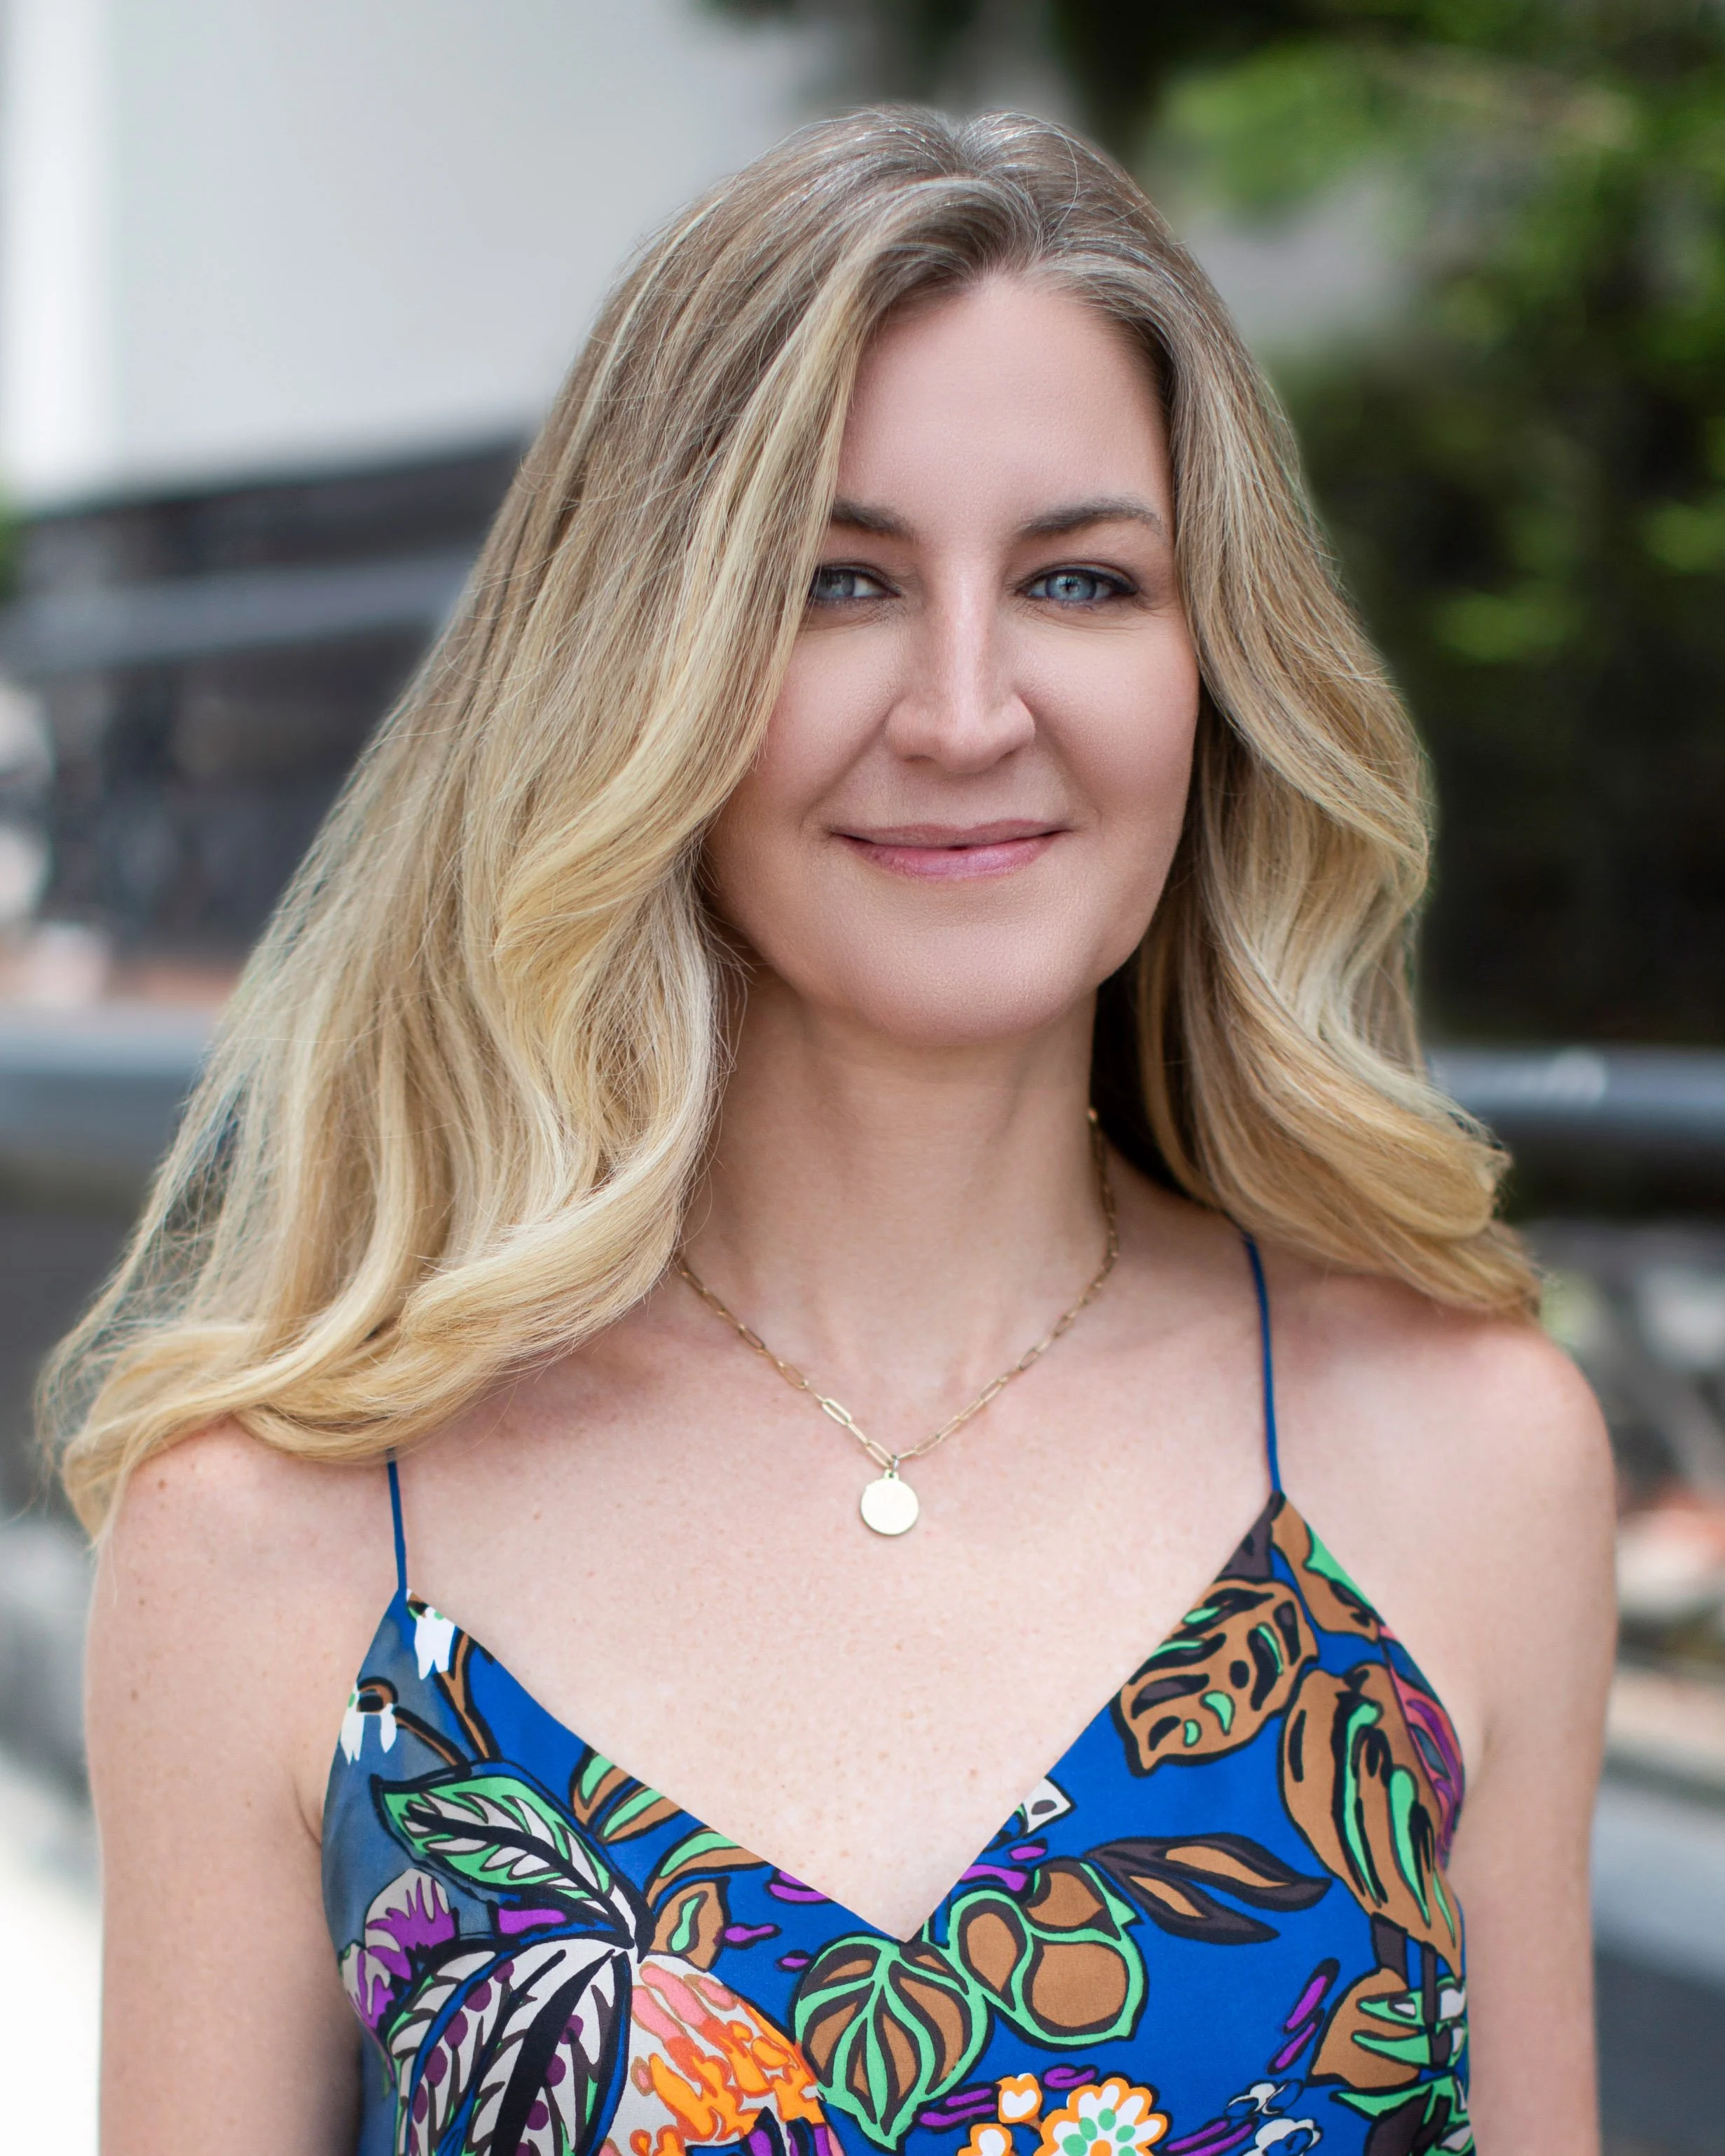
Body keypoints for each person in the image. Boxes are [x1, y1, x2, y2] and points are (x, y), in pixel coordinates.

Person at [55, 109, 1614, 2156]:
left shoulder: (1462, 1457)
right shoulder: (280, 1539)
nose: (966, 707)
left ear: (1210, 664)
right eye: (835, 580)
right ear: (642, 671)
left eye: (1077, 575)